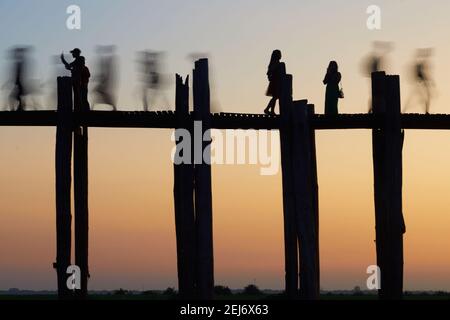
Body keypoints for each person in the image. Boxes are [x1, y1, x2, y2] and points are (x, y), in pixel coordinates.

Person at [264, 50, 285, 116]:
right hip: (275, 82)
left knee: (275, 97)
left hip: (277, 82)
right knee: (275, 97)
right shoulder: (275, 64)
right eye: (279, 54)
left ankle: (270, 110)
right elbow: (269, 72)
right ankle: (268, 109)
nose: (280, 55)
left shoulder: (277, 64)